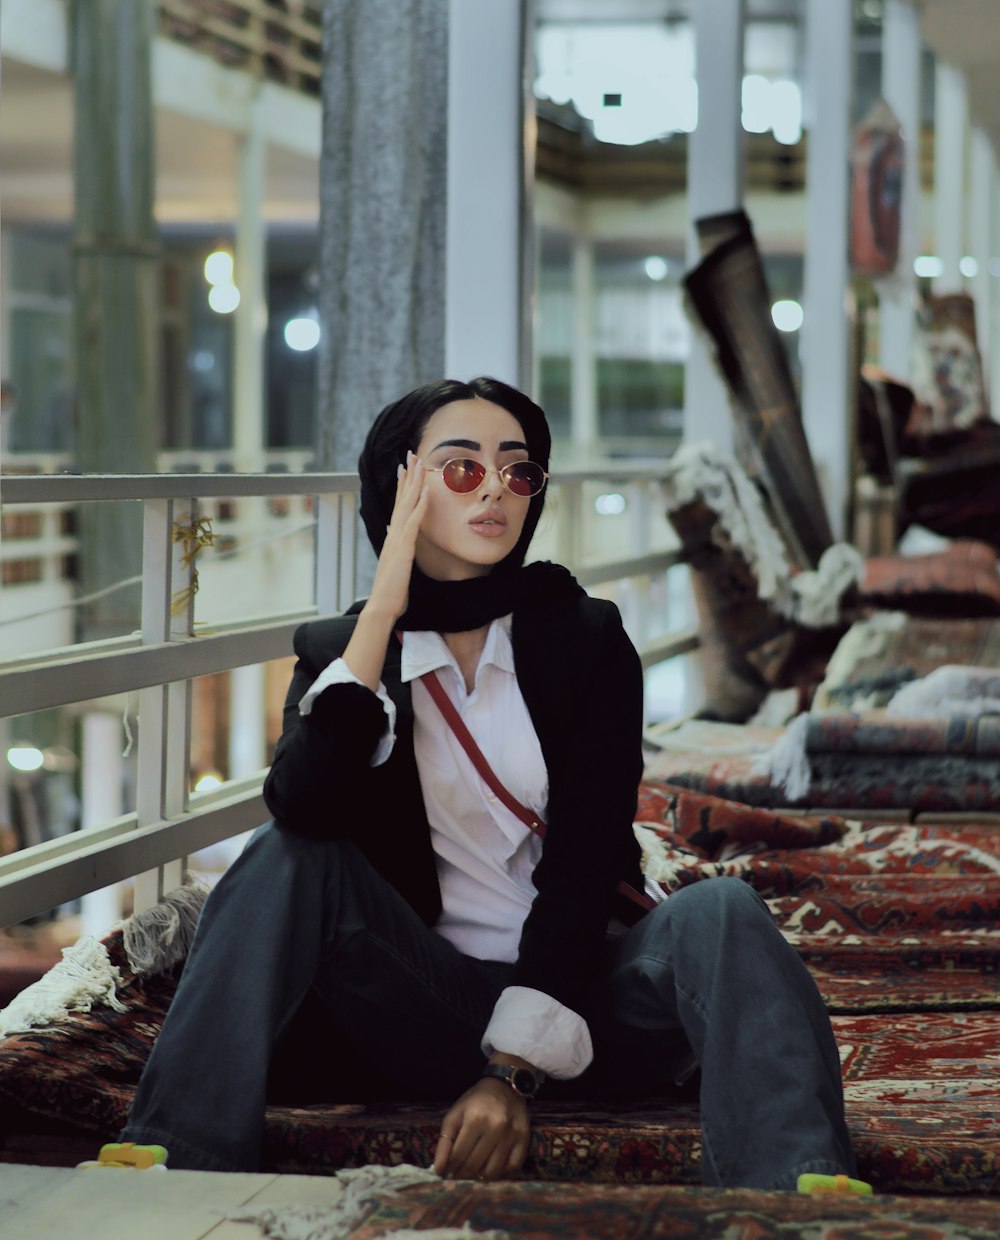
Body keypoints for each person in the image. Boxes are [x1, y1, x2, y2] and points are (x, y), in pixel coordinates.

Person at [123, 377, 856, 1188]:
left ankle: (801, 1187)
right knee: (284, 852)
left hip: (581, 995)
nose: (496, 491)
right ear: (399, 485)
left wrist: (510, 1074)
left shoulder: (585, 639)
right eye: (462, 469)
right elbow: (304, 807)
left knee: (721, 909)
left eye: (518, 471)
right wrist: (381, 618)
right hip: (419, 1001)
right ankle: (170, 1160)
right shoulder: (345, 654)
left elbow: (585, 863)